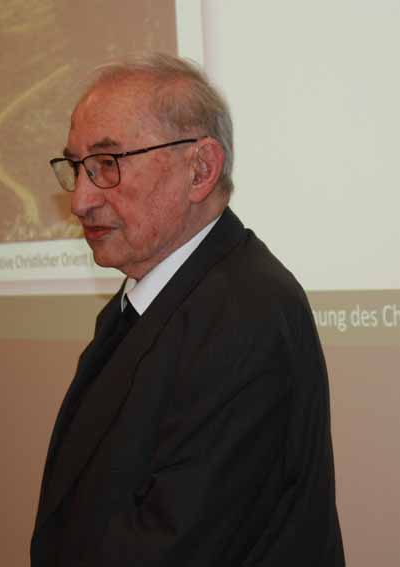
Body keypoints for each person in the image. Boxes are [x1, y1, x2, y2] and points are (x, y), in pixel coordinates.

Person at [31, 53, 345, 566]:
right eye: (77, 167)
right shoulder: (149, 299)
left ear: (200, 169)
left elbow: (176, 545)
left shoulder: (245, 315)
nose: (80, 201)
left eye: (108, 164)